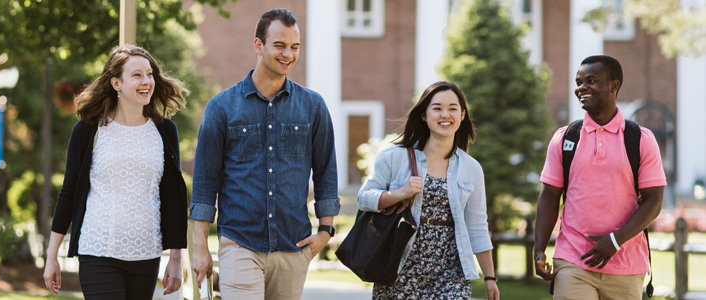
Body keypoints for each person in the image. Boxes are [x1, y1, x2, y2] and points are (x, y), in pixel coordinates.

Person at [188, 8, 340, 300]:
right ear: (258, 45)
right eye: (279, 45)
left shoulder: (313, 106)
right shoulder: (221, 107)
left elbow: (326, 171)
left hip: (294, 244)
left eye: (294, 47)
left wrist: (325, 231)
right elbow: (205, 182)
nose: (288, 55)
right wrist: (200, 247)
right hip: (240, 242)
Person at [42, 45, 189, 299]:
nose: (147, 81)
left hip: (146, 254)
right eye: (137, 75)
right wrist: (51, 255)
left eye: (150, 74)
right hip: (98, 251)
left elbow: (174, 198)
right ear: (116, 83)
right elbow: (68, 193)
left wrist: (175, 258)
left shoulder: (164, 131)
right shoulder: (89, 130)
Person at [533, 55, 666, 299]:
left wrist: (614, 241)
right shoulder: (565, 138)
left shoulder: (640, 139)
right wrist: (539, 249)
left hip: (626, 265)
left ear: (613, 85)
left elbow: (653, 201)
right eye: (579, 81)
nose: (581, 87)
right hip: (573, 260)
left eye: (591, 80)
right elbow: (549, 197)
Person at [357, 81, 499, 300]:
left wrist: (490, 278)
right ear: (424, 114)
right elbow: (364, 199)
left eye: (452, 108)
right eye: (437, 108)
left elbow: (477, 226)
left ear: (462, 115)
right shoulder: (394, 157)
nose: (445, 114)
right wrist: (400, 193)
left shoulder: (471, 169)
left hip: (451, 272)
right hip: (400, 267)